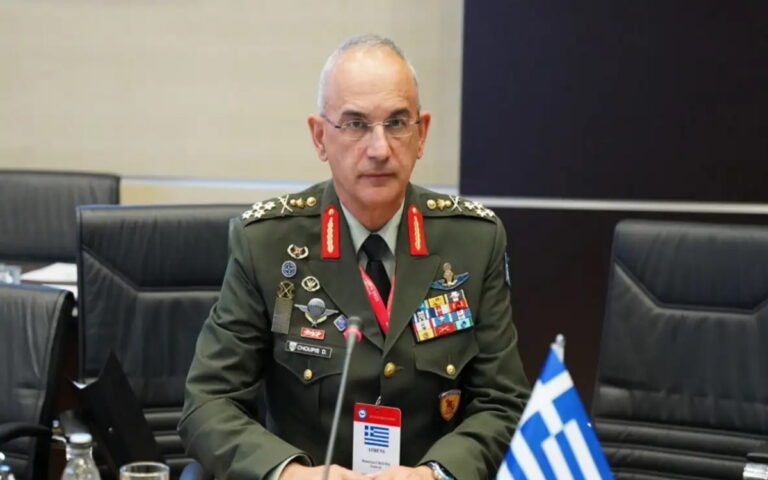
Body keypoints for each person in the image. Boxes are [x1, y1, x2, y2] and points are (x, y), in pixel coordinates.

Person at [179, 34, 530, 480]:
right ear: (320, 137)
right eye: (356, 124)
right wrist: (290, 474)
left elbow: (503, 403)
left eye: (397, 122)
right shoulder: (267, 244)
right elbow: (209, 403)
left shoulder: (473, 242)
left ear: (421, 134)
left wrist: (435, 473)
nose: (379, 149)